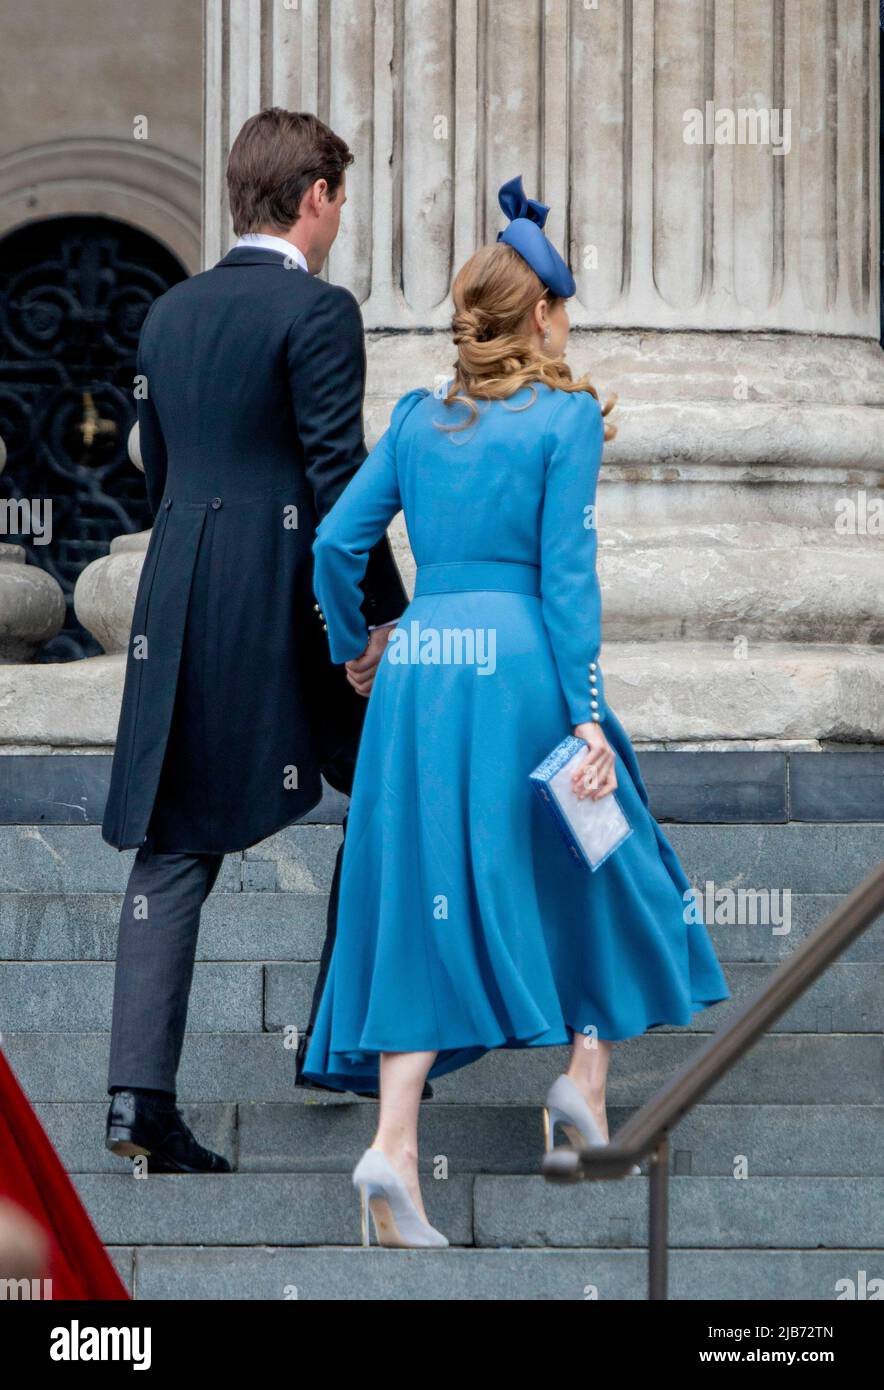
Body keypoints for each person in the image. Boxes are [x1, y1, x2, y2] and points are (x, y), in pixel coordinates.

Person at [302, 177, 731, 1247]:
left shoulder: (412, 419)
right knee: (594, 856)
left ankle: (394, 1144)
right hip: (524, 668)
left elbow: (330, 547)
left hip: (418, 678)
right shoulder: (564, 417)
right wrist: (585, 714)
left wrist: (354, 645)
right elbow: (566, 581)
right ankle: (583, 1072)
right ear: (540, 314)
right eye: (564, 306)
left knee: (417, 890)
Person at [101, 108, 407, 1172]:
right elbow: (340, 481)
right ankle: (348, 1041)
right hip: (292, 606)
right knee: (395, 786)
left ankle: (137, 1099)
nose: (338, 218)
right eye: (339, 198)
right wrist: (374, 624)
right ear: (314, 197)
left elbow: (159, 472)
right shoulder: (319, 312)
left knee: (173, 844)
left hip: (180, 597)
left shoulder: (169, 314)